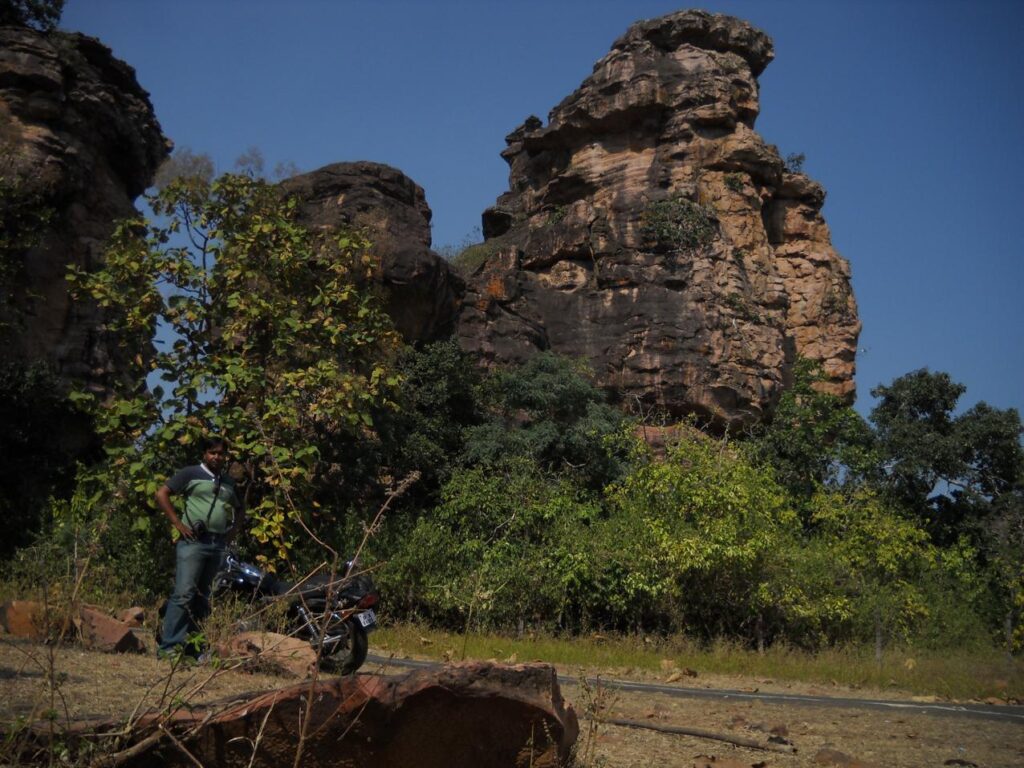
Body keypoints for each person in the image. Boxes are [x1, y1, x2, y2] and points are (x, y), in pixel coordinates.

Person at [156, 435, 244, 658]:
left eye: (221, 453)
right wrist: (178, 524)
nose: (217, 457)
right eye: (212, 452)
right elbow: (162, 493)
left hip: (216, 543)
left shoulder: (228, 482)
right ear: (205, 454)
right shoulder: (191, 473)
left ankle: (194, 648)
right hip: (193, 542)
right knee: (184, 593)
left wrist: (232, 532)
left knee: (203, 596)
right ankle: (168, 648)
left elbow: (240, 508)